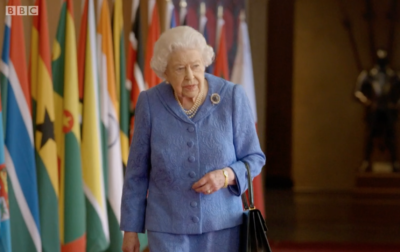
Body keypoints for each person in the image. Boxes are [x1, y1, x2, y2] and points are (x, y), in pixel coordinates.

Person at [120, 26, 266, 252]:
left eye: (196, 66)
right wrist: (131, 231)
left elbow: (254, 158)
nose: (190, 76)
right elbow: (136, 173)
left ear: (204, 63)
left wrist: (225, 176)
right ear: (164, 71)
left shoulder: (232, 97)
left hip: (223, 227)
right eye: (179, 69)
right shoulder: (150, 103)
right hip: (167, 229)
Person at [355, 49, 400, 172]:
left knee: (391, 135)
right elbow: (358, 92)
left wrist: (397, 103)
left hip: (388, 108)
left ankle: (395, 161)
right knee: (370, 135)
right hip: (374, 108)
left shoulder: (392, 75)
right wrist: (367, 102)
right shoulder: (369, 74)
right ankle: (366, 161)